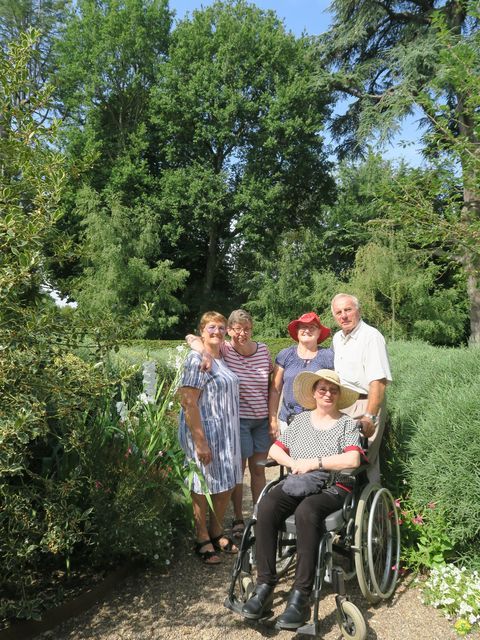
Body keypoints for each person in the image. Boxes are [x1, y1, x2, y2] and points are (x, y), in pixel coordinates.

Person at [241, 369, 361, 629]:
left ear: (339, 395)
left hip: (333, 485)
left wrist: (314, 463)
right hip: (298, 481)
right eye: (322, 389)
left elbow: (353, 459)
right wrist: (294, 463)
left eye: (333, 390)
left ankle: (300, 596)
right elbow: (275, 449)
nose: (327, 394)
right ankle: (264, 584)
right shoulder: (300, 421)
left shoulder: (347, 423)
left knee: (308, 512)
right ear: (313, 393)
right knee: (268, 506)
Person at [186, 310, 273, 541]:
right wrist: (202, 350)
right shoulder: (218, 351)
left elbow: (273, 384)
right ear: (230, 332)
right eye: (235, 328)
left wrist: (273, 417)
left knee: (249, 472)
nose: (241, 333)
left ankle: (254, 517)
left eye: (246, 328)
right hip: (230, 424)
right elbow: (192, 338)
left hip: (251, 422)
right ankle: (227, 523)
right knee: (230, 475)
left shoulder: (260, 350)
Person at [178, 311, 242, 565]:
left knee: (226, 482)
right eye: (211, 328)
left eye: (221, 327)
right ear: (202, 331)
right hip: (204, 431)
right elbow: (188, 401)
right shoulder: (196, 359)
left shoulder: (220, 357)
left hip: (227, 433)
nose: (217, 331)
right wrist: (200, 441)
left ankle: (216, 530)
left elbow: (191, 336)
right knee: (202, 484)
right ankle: (202, 536)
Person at [330, 293, 392, 484]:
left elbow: (378, 382)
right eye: (339, 312)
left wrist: (370, 416)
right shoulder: (337, 338)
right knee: (339, 458)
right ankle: (343, 507)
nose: (344, 316)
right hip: (343, 404)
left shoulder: (371, 337)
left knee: (361, 460)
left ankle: (372, 508)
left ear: (358, 310)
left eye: (348, 310)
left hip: (366, 404)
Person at [269, 312, 334, 436]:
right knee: (285, 455)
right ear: (297, 331)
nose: (307, 330)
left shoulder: (328, 356)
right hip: (288, 421)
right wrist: (273, 422)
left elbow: (334, 390)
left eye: (312, 327)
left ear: (319, 332)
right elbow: (275, 390)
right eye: (303, 326)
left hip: (318, 422)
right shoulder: (285, 355)